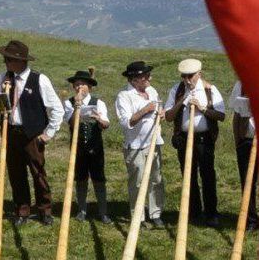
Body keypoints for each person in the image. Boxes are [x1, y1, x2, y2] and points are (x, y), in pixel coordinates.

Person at [0, 41, 66, 225]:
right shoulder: (3, 78)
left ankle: (44, 210)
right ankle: (22, 210)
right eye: (5, 58)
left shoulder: (39, 79)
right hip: (11, 133)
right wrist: (3, 93)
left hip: (33, 134)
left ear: (21, 61)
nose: (5, 62)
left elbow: (57, 108)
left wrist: (49, 133)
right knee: (16, 174)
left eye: (9, 59)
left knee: (38, 173)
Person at [166, 58, 226, 226]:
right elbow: (169, 117)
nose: (186, 80)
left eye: (190, 76)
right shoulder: (177, 90)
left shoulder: (209, 90)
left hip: (204, 139)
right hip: (183, 139)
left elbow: (221, 116)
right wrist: (182, 100)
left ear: (199, 74)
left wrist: (202, 108)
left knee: (207, 175)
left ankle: (211, 213)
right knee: (188, 176)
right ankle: (193, 212)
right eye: (183, 76)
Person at [116, 61, 166, 229]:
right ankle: (138, 215)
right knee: (137, 182)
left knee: (156, 179)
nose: (149, 78)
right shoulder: (124, 96)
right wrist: (146, 109)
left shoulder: (152, 91)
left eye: (148, 75)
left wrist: (161, 113)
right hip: (136, 145)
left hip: (154, 141)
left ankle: (155, 213)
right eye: (145, 76)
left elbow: (158, 109)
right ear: (134, 79)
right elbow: (126, 122)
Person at [64, 70, 110, 221]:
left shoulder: (99, 102)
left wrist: (98, 119)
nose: (79, 87)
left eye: (82, 84)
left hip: (95, 146)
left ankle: (103, 212)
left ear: (89, 87)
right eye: (76, 85)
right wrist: (77, 105)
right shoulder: (69, 103)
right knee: (80, 178)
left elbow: (105, 124)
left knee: (99, 178)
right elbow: (70, 122)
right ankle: (82, 210)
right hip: (77, 148)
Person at [228, 76, 258, 231]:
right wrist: (238, 141)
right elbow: (236, 114)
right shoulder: (240, 85)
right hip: (246, 139)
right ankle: (251, 218)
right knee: (247, 181)